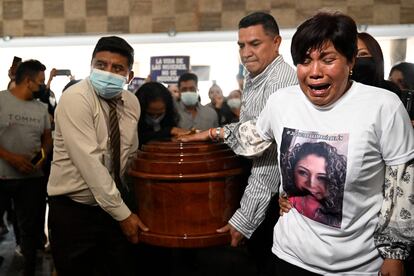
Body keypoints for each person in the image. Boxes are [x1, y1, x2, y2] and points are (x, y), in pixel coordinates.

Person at [212, 12, 413, 275]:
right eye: (305, 61)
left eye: (328, 60)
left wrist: (393, 255)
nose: (315, 72)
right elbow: (252, 137)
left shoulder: (383, 107)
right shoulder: (283, 101)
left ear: (350, 60)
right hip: (289, 257)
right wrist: (212, 134)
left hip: (359, 266)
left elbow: (403, 183)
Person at [179, 11, 298, 274]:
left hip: (273, 198)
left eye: (255, 44)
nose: (246, 53)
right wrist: (212, 133)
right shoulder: (257, 77)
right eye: (241, 45)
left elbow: (266, 154)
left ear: (276, 42)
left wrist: (245, 218)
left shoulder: (279, 82)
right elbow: (250, 129)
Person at [47, 36, 149, 276]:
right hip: (74, 210)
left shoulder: (131, 102)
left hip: (114, 204)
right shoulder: (76, 98)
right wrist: (124, 215)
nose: (108, 72)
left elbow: (129, 154)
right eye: (101, 65)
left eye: (117, 68)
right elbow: (90, 165)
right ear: (91, 66)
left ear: (129, 76)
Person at [0, 59, 53, 276]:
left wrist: (39, 159)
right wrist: (11, 157)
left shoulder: (41, 108)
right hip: (2, 177)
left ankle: (29, 269)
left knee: (30, 229)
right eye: (40, 82)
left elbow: (47, 139)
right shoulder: (1, 100)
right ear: (28, 81)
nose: (43, 86)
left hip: (32, 179)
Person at [281, 142, 346, 228]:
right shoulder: (292, 201)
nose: (311, 184)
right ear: (291, 172)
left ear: (335, 181)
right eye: (303, 173)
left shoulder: (343, 211)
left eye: (322, 178)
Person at [136, 82, 190, 146]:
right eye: (151, 114)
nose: (155, 118)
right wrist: (167, 132)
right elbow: (138, 139)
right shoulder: (133, 120)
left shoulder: (170, 117)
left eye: (159, 114)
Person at [352, 32, 401, 97]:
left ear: (375, 56)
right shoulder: (340, 92)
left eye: (363, 54)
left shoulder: (391, 91)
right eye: (351, 56)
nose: (356, 59)